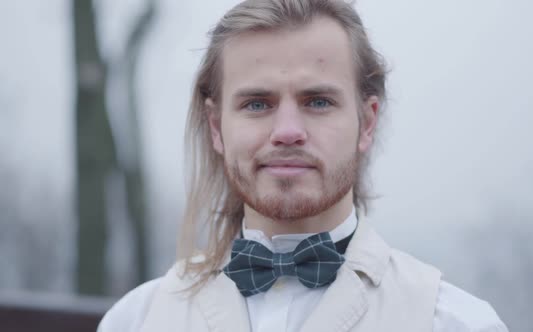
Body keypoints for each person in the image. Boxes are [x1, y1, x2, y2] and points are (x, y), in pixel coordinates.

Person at [98, 0, 508, 331]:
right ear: (216, 127)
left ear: (367, 123)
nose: (288, 131)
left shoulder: (457, 323)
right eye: (257, 104)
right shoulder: (136, 320)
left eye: (318, 102)